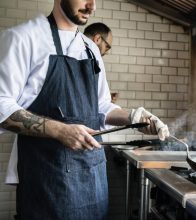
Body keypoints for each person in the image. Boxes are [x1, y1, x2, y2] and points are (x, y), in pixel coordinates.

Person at [0, 0, 169, 219]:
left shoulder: (90, 49)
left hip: (92, 177)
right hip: (47, 178)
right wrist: (61, 131)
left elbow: (101, 106)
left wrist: (134, 117)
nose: (92, 6)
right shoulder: (23, 38)